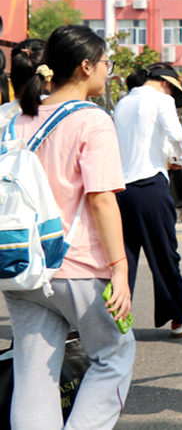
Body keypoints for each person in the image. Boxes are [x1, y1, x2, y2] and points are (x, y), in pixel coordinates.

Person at [3, 24, 135, 429]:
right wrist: (120, 269)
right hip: (76, 265)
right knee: (113, 355)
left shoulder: (12, 120)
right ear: (84, 66)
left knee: (33, 373)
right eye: (105, 64)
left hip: (20, 266)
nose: (107, 71)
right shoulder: (92, 121)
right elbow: (101, 199)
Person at [115, 62, 182, 337]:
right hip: (150, 186)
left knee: (124, 258)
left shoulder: (124, 102)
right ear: (167, 83)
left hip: (121, 189)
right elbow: (177, 136)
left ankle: (115, 319)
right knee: (165, 254)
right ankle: (180, 316)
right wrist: (180, 158)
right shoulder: (161, 100)